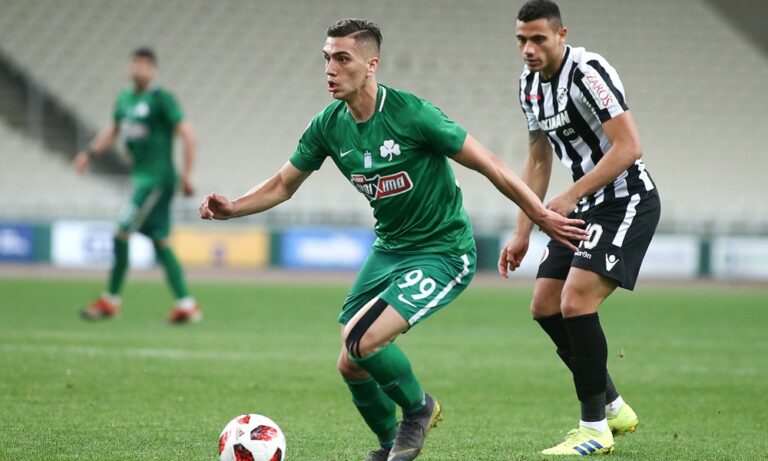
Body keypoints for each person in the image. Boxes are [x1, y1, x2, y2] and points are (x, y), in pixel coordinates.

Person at [199, 18, 586, 461]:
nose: (330, 69)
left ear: (371, 64)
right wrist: (233, 208)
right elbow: (283, 184)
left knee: (362, 341)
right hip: (390, 250)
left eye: (342, 59)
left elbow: (489, 162)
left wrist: (538, 214)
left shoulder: (412, 114)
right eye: (327, 58)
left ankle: (419, 409)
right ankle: (388, 448)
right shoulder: (328, 125)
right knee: (351, 361)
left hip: (443, 251)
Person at [498, 0, 661, 456]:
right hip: (584, 206)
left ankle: (594, 428)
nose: (528, 49)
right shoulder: (529, 86)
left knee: (575, 301)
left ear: (561, 34)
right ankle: (612, 406)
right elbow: (537, 159)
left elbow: (629, 146)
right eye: (521, 40)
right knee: (545, 304)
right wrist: (524, 229)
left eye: (538, 39)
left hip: (626, 200)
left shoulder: (588, 72)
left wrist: (569, 197)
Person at [74, 47, 201, 324]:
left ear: (154, 69)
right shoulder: (125, 98)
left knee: (121, 231)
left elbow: (188, 134)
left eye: (144, 65)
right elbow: (112, 130)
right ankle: (187, 305)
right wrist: (89, 154)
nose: (138, 69)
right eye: (135, 64)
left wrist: (187, 175)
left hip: (157, 179)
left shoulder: (161, 99)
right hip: (142, 178)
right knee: (159, 239)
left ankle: (110, 300)